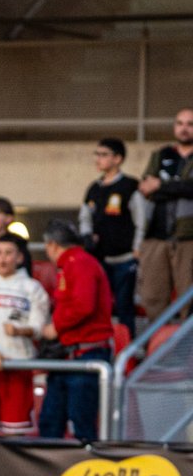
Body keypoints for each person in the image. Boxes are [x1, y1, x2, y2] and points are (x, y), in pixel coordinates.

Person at [38, 221, 114, 441]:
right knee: (51, 420)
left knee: (81, 424)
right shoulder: (74, 263)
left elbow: (83, 305)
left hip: (85, 353)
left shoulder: (78, 263)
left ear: (51, 245)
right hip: (70, 354)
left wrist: (56, 327)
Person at [0, 234, 50, 437]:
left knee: (16, 433)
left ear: (20, 257)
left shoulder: (33, 288)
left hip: (19, 366)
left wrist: (20, 330)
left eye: (8, 253)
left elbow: (39, 327)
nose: (3, 258)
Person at [80, 138, 148, 334]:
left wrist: (137, 248)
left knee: (124, 305)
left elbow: (140, 220)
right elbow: (85, 216)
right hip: (100, 258)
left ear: (118, 159)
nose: (98, 159)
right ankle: (105, 344)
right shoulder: (94, 188)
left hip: (125, 258)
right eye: (97, 154)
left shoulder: (129, 186)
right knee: (100, 305)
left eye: (103, 155)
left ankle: (127, 350)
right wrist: (86, 235)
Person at [137, 108, 193, 321]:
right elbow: (145, 186)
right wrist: (178, 186)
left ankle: (188, 351)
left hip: (188, 237)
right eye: (180, 123)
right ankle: (160, 347)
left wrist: (162, 185)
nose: (184, 128)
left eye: (190, 123)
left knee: (188, 297)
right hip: (156, 236)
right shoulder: (161, 155)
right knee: (152, 295)